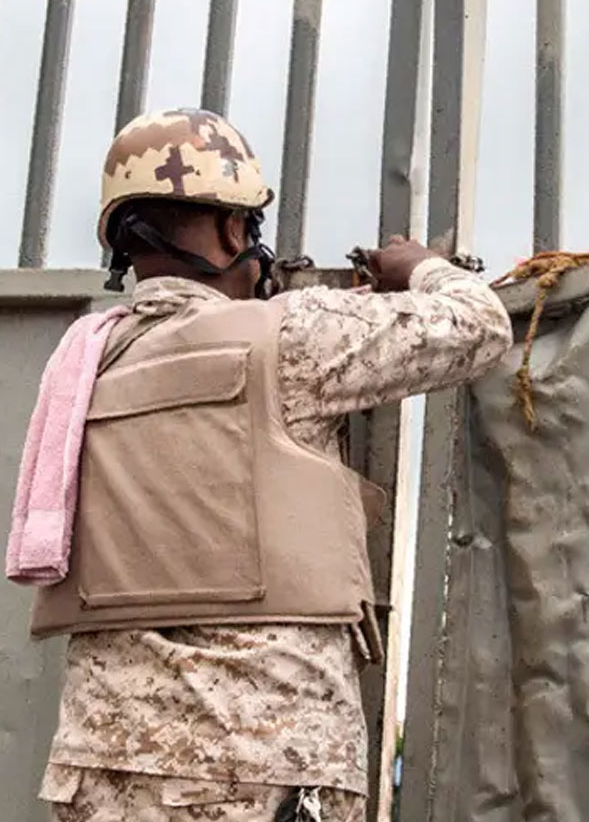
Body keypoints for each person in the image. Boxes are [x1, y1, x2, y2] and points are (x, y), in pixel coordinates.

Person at [29, 109, 513, 822]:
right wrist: (422, 269)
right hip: (257, 768)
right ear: (233, 231)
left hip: (96, 767)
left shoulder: (82, 367)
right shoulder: (294, 337)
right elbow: (482, 326)